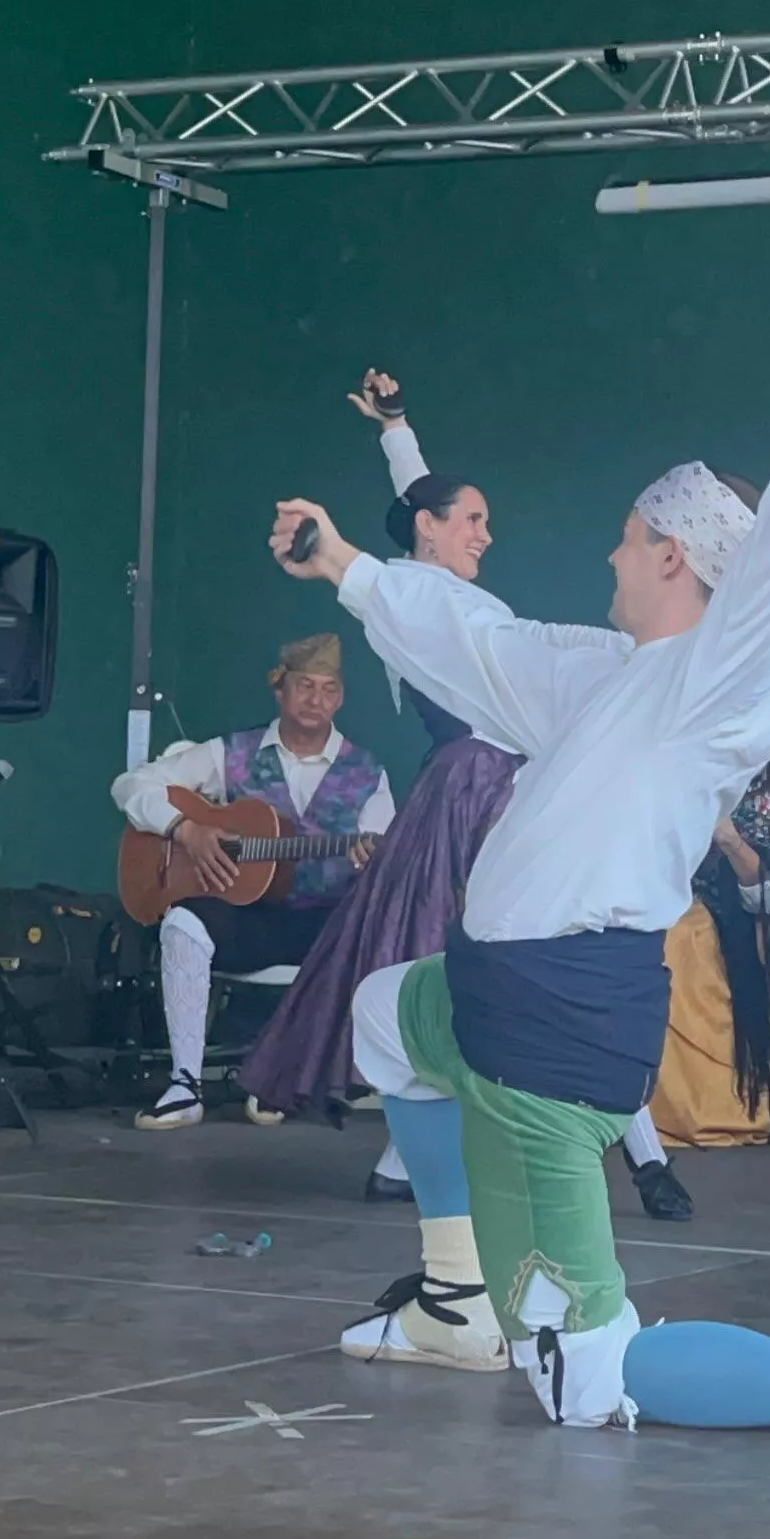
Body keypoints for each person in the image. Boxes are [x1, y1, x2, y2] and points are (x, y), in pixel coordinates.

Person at [286, 242, 770, 1446]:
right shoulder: (606, 674)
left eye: (622, 539)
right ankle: (459, 1304)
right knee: (390, 1014)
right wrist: (345, 564)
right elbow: (475, 638)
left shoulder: (719, 679)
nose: (606, 554)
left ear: (670, 552)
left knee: (588, 1384)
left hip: (552, 1035)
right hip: (489, 996)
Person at [233, 375, 627, 1195]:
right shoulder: (416, 598)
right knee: (468, 961)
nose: (487, 533)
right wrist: (339, 551)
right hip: (473, 786)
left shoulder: (446, 594)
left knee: (467, 961)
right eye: (472, 520)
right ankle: (443, 1153)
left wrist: (395, 429)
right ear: (430, 529)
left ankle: (409, 1158)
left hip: (491, 781)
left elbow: (420, 507)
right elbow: (397, 569)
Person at [113, 634, 397, 1129]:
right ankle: (184, 1083)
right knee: (181, 922)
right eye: (303, 686)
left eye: (328, 689)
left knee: (373, 926)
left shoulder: (366, 772)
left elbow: (388, 853)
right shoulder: (232, 753)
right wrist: (188, 828)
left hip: (323, 928)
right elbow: (131, 784)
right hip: (248, 917)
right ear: (279, 690)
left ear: (341, 699)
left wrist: (369, 860)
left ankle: (294, 1076)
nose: (315, 700)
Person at [644, 763, 770, 1153]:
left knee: (673, 939)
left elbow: (768, 893)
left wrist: (730, 840)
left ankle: (688, 1107)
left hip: (718, 909)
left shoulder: (745, 784)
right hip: (649, 899)